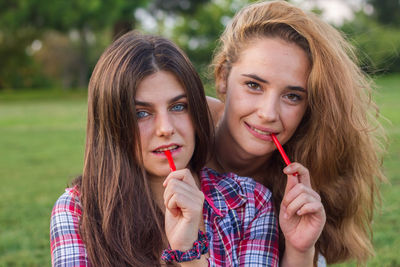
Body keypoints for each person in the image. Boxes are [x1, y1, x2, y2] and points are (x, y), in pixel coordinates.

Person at [50, 31, 280, 266]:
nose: (166, 128)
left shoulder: (249, 203)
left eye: (178, 106)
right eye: (141, 113)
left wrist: (189, 253)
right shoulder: (78, 211)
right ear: (112, 123)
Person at [207, 1, 386, 266]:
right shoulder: (175, 128)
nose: (269, 113)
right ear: (223, 77)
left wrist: (300, 249)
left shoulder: (303, 186)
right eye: (254, 85)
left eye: (292, 96)